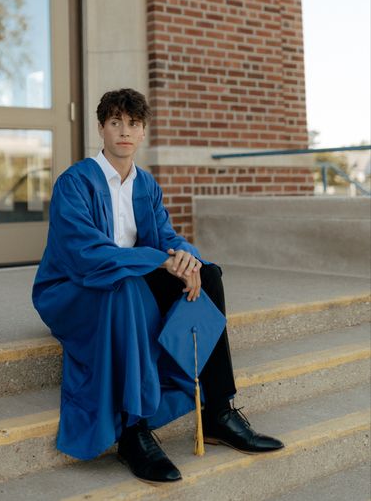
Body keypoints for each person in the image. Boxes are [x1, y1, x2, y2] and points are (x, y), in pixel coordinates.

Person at [32, 88, 283, 483]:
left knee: (207, 273)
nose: (124, 131)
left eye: (133, 124)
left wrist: (184, 256)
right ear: (101, 128)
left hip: (128, 276)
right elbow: (85, 255)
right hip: (74, 290)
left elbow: (164, 235)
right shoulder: (75, 182)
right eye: (115, 122)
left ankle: (217, 410)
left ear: (143, 131)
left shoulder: (146, 185)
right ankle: (133, 431)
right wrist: (159, 260)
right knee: (129, 287)